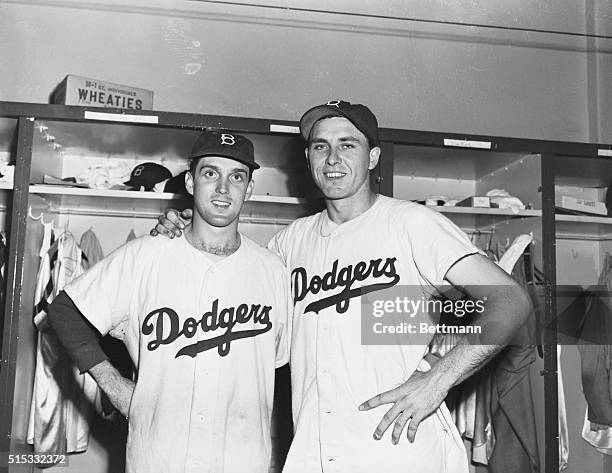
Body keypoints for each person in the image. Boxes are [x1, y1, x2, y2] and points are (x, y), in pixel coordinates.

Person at [152, 101, 532, 472]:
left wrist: (437, 379)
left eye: (347, 145)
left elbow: (510, 300)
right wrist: (181, 237)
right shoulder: (289, 243)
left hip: (398, 447)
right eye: (321, 146)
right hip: (313, 451)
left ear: (373, 157)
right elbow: (227, 298)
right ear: (309, 159)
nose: (332, 158)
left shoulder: (411, 224)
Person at [47, 130, 292, 473]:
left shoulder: (273, 271)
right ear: (190, 183)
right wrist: (114, 386)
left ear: (249, 188)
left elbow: (279, 370)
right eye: (210, 174)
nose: (223, 188)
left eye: (236, 177)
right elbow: (64, 311)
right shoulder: (146, 255)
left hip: (242, 460)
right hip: (160, 458)